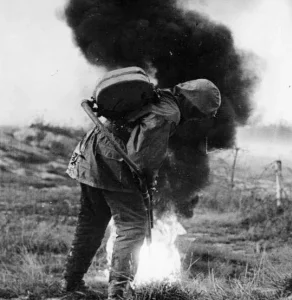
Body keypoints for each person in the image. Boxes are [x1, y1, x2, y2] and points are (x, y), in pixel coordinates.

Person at [61, 76, 221, 300]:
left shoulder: (162, 96)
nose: (196, 118)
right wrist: (147, 180)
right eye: (199, 113)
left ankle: (71, 284)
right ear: (193, 103)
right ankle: (119, 293)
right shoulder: (168, 114)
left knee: (91, 223)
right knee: (133, 227)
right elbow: (140, 158)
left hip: (91, 153)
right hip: (113, 160)